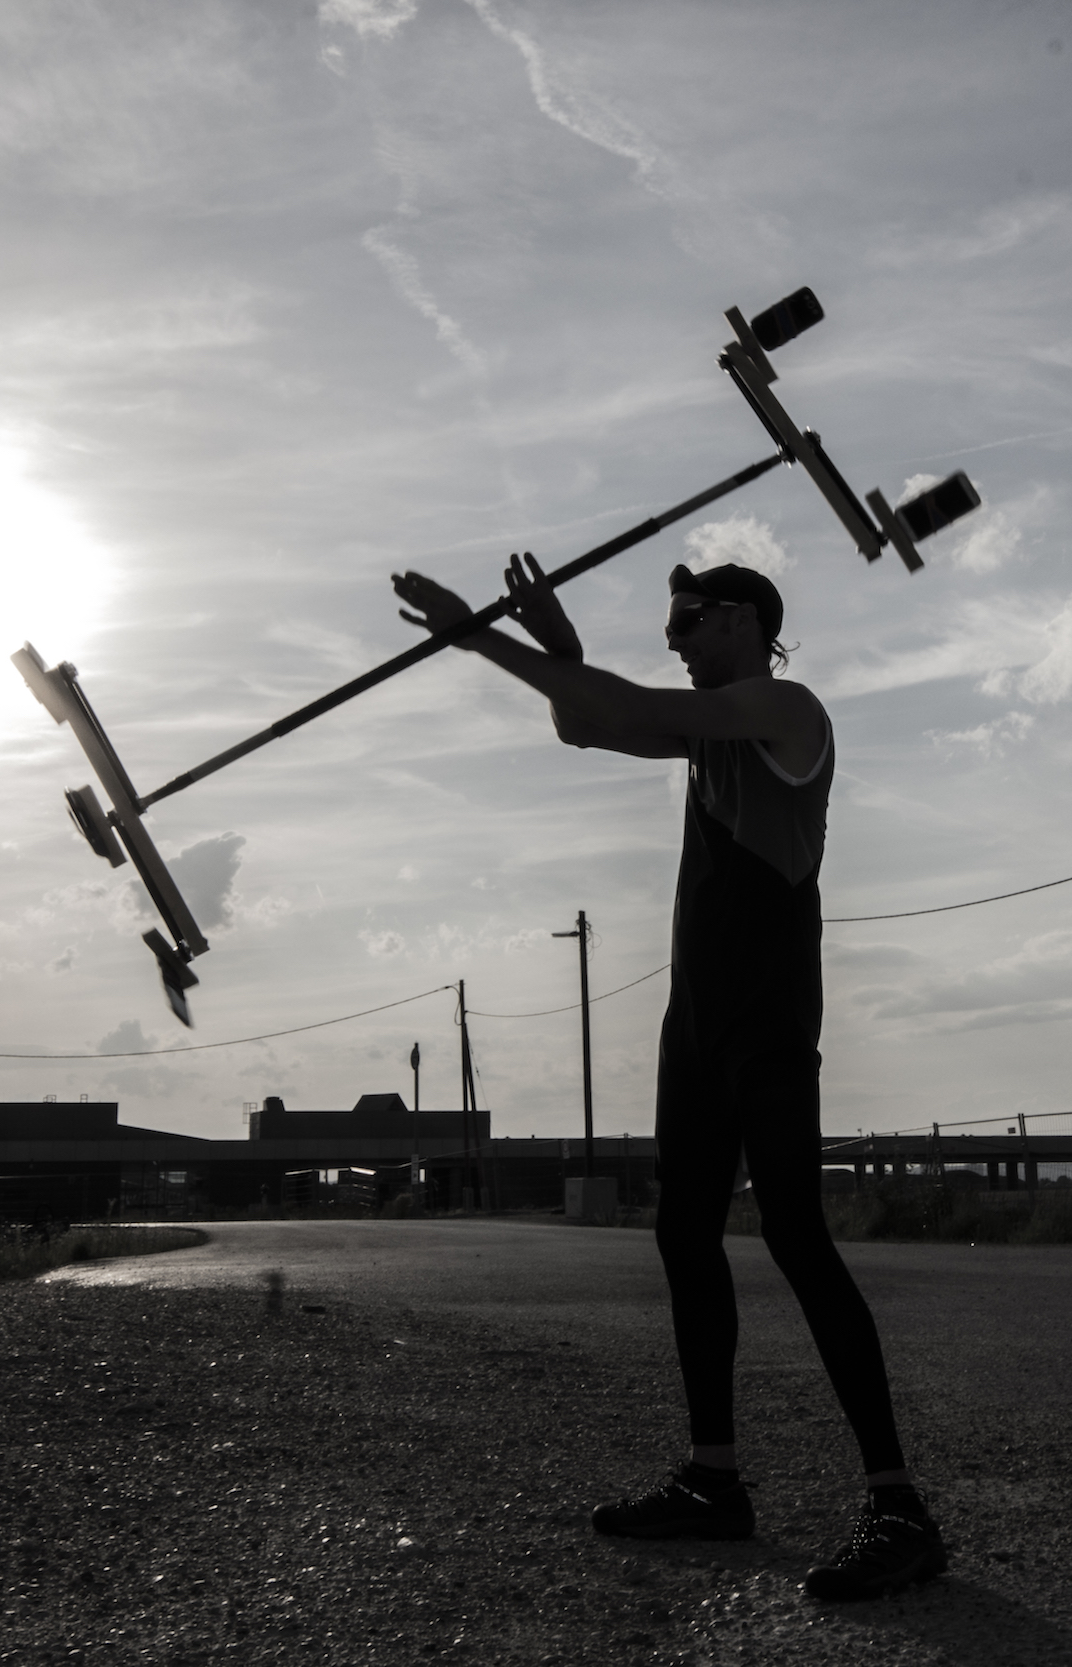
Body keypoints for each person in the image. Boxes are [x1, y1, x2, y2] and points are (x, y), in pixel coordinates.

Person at [391, 553, 947, 1602]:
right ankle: (713, 1483)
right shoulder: (706, 736)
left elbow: (626, 703)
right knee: (682, 1233)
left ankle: (899, 1506)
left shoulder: (786, 708)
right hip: (693, 1022)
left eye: (689, 620)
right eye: (673, 623)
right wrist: (557, 654)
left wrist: (476, 636)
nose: (677, 638)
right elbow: (586, 721)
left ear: (746, 621)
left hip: (767, 1018)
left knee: (795, 1236)